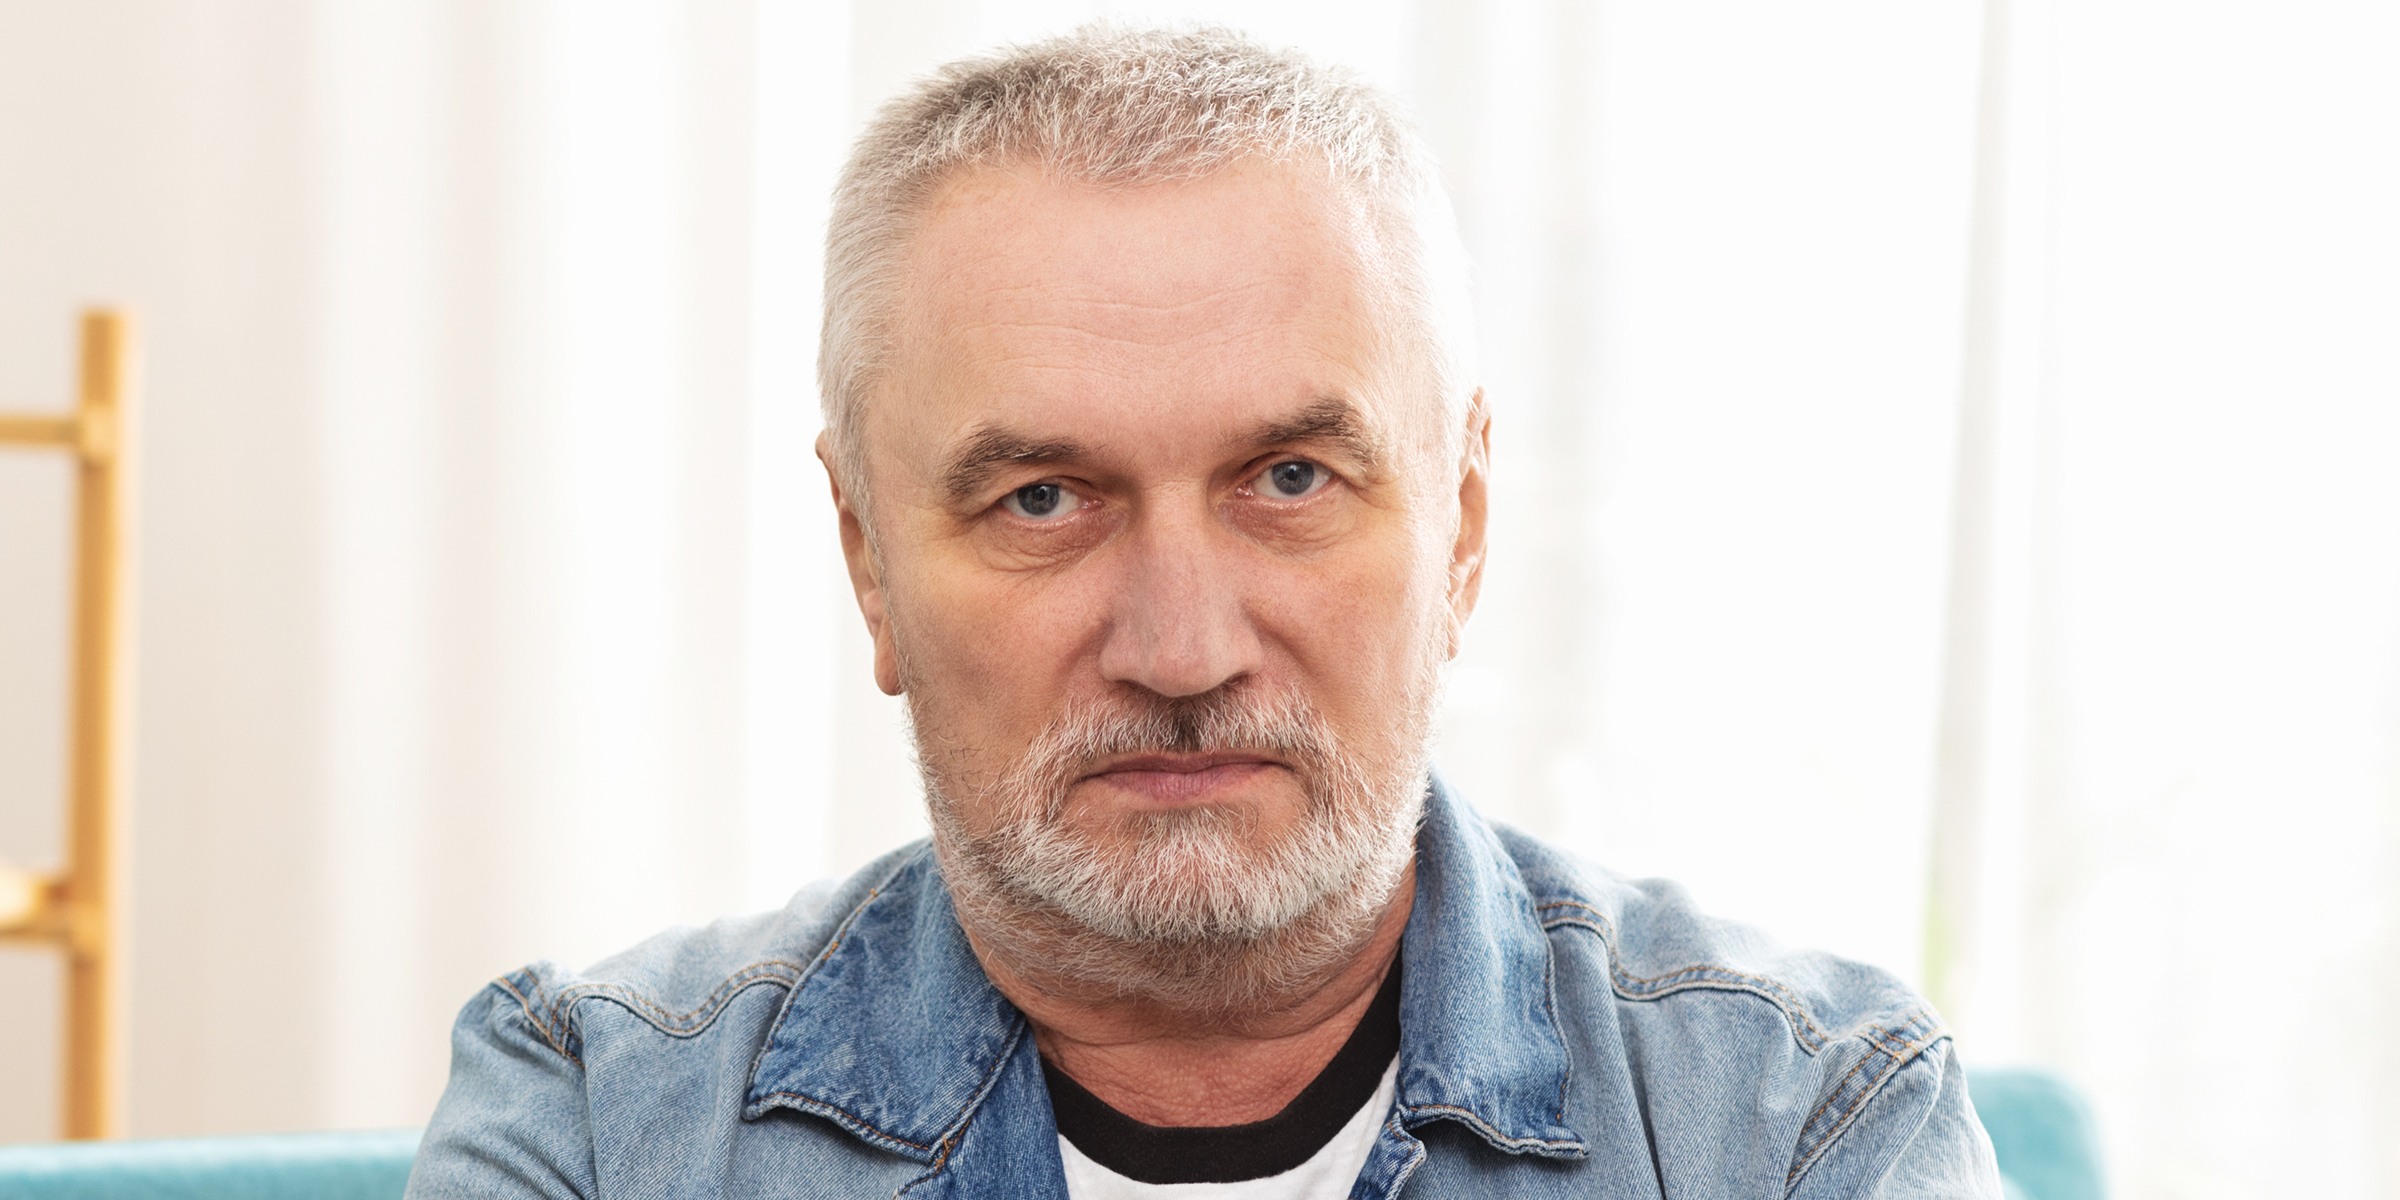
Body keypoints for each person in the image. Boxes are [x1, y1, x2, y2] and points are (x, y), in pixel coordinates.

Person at [407, 25, 2001, 1199]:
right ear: (868, 561)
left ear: (1460, 530)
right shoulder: (596, 1127)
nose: (1182, 649)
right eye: (1043, 499)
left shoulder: (1807, 1125)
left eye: (1291, 480)